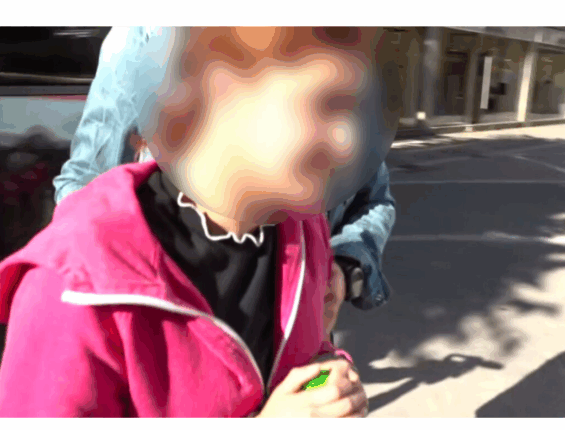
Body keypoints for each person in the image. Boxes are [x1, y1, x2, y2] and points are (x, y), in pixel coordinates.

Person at [0, 26, 405, 417]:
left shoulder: (304, 230)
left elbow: (306, 365)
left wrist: (328, 383)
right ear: (224, 92)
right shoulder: (73, 291)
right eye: (325, 104)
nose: (348, 143)